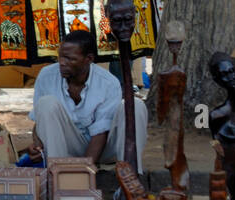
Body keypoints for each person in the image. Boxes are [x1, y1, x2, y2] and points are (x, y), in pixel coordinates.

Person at [27, 29, 147, 171]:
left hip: (104, 149)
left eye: (69, 58)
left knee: (136, 106)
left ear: (89, 59)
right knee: (46, 103)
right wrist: (37, 145)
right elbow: (40, 121)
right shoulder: (47, 76)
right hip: (64, 148)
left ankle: (131, 176)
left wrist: (83, 170)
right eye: (60, 57)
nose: (62, 63)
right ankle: (57, 176)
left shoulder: (108, 83)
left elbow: (101, 133)